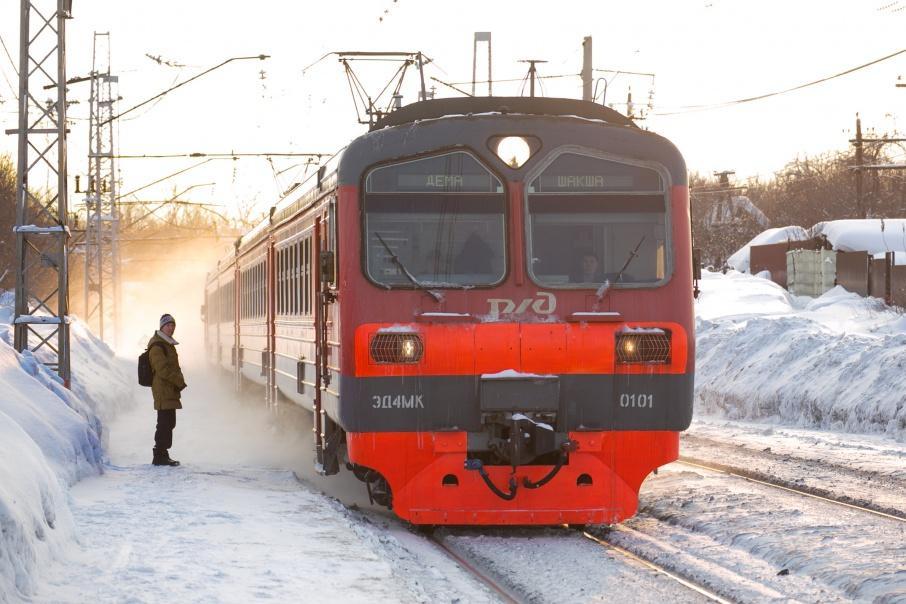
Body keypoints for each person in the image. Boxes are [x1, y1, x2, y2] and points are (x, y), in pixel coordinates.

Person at [148, 313, 186, 467]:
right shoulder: (158, 345)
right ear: (162, 327)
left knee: (169, 422)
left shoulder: (166, 343)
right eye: (168, 325)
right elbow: (162, 369)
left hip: (169, 388)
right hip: (163, 389)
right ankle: (159, 455)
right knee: (164, 423)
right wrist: (179, 381)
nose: (171, 328)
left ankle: (163, 454)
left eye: (173, 326)